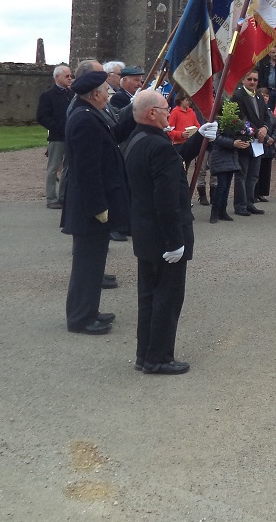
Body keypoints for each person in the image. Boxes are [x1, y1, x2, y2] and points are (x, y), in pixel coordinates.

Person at [123, 91, 194, 375]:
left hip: (145, 233)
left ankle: (146, 354)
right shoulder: (158, 146)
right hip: (164, 236)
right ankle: (159, 358)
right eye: (165, 108)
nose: (169, 112)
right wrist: (175, 241)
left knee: (149, 297)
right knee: (167, 298)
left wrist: (200, 137)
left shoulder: (136, 140)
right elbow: (166, 200)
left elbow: (173, 160)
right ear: (151, 113)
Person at [63, 70, 130, 334]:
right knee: (86, 265)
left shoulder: (90, 115)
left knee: (93, 263)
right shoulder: (84, 120)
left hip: (93, 205)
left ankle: (89, 310)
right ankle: (80, 318)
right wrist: (98, 207)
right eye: (106, 91)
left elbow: (113, 136)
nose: (108, 95)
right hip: (90, 207)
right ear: (95, 94)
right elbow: (87, 170)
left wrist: (134, 114)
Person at [36, 63, 74, 209]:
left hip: (69, 135)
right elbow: (41, 116)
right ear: (57, 77)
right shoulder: (48, 95)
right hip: (57, 137)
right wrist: (57, 127)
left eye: (71, 76)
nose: (70, 78)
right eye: (67, 76)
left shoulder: (71, 95)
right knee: (53, 168)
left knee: (67, 168)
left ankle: (63, 196)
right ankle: (51, 198)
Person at [231, 70, 268, 216]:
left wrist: (265, 128)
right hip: (245, 140)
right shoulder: (238, 96)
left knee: (253, 175)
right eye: (250, 79)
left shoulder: (259, 96)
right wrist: (256, 130)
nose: (253, 82)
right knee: (242, 174)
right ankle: (240, 205)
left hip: (258, 142)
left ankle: (250, 202)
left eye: (255, 80)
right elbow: (241, 117)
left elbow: (266, 115)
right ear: (243, 80)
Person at [202, 107, 249, 223]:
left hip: (231, 157)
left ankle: (222, 211)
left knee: (227, 186)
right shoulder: (217, 123)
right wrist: (233, 143)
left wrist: (244, 141)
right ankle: (215, 212)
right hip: (220, 156)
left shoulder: (234, 124)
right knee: (221, 185)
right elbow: (216, 138)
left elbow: (240, 135)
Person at [254, 87, 276, 202]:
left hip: (269, 146)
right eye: (262, 95)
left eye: (267, 96)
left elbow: (275, 127)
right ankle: (254, 193)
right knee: (256, 170)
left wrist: (273, 138)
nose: (265, 98)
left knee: (265, 170)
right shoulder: (256, 111)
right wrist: (266, 138)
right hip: (259, 143)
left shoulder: (270, 112)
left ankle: (262, 193)